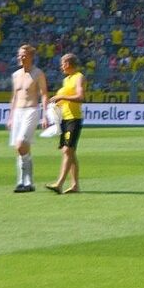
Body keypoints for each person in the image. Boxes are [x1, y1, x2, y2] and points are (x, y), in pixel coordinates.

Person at [7, 45, 47, 194]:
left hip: (31, 110)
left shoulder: (38, 73)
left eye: (23, 55)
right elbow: (14, 97)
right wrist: (10, 116)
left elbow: (44, 94)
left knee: (20, 144)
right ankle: (24, 182)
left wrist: (44, 115)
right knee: (21, 149)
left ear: (30, 56)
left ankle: (26, 181)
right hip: (18, 111)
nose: (20, 58)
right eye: (19, 55)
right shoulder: (16, 75)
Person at [47, 52, 88, 195]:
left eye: (62, 64)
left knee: (67, 150)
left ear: (68, 63)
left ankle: (59, 183)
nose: (61, 67)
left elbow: (80, 96)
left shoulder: (79, 77)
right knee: (71, 152)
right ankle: (75, 185)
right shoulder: (67, 80)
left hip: (73, 119)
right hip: (65, 119)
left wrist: (61, 96)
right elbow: (67, 99)